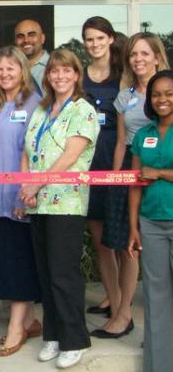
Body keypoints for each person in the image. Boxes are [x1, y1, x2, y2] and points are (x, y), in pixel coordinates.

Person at [20, 49, 100, 370]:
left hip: (66, 202)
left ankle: (74, 339)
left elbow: (69, 157)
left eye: (67, 71)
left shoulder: (84, 110)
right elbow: (27, 150)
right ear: (48, 76)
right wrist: (25, 187)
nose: (60, 76)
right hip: (38, 203)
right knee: (46, 272)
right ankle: (52, 334)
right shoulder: (40, 110)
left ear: (76, 75)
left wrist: (36, 185)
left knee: (64, 274)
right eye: (54, 71)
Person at [97, 32, 169, 339]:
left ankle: (127, 314)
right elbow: (121, 144)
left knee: (138, 251)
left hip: (160, 171)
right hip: (129, 170)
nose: (138, 59)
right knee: (124, 244)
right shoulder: (125, 96)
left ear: (156, 56)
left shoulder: (166, 91)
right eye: (133, 55)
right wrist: (116, 179)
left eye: (144, 53)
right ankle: (123, 312)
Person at [0, 46, 41, 357]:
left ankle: (16, 327)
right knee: (8, 258)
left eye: (10, 69)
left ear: (23, 71)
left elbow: (34, 152)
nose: (4, 74)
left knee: (18, 261)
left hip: (19, 195)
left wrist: (24, 191)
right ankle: (28, 319)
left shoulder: (33, 104)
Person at [127, 70, 173, 372]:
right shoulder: (144, 135)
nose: (162, 99)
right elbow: (134, 182)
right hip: (151, 224)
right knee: (156, 298)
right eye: (157, 94)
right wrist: (133, 227)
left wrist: (159, 174)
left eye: (169, 93)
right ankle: (159, 366)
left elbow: (150, 175)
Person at [80, 17, 123, 322]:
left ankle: (123, 303)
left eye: (99, 38)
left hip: (118, 158)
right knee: (100, 240)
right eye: (89, 39)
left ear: (110, 39)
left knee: (120, 238)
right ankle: (113, 297)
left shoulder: (124, 74)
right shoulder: (81, 77)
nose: (94, 44)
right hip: (89, 161)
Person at [14, 19, 49, 92]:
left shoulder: (55, 66)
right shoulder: (9, 69)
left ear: (42, 38)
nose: (26, 40)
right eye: (20, 36)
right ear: (15, 41)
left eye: (31, 35)